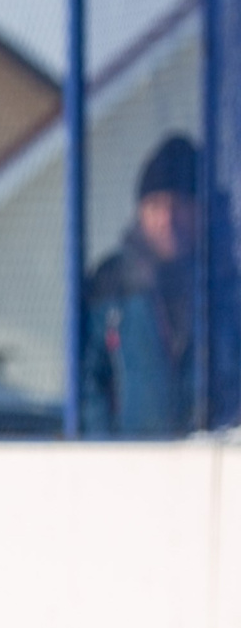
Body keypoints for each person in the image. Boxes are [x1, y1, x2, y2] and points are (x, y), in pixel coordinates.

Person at [83, 135, 209, 436]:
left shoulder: (227, 290)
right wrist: (104, 452)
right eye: (155, 205)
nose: (167, 219)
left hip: (214, 458)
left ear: (202, 210)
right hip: (130, 459)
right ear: (140, 212)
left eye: (179, 204)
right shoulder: (110, 285)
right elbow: (87, 384)